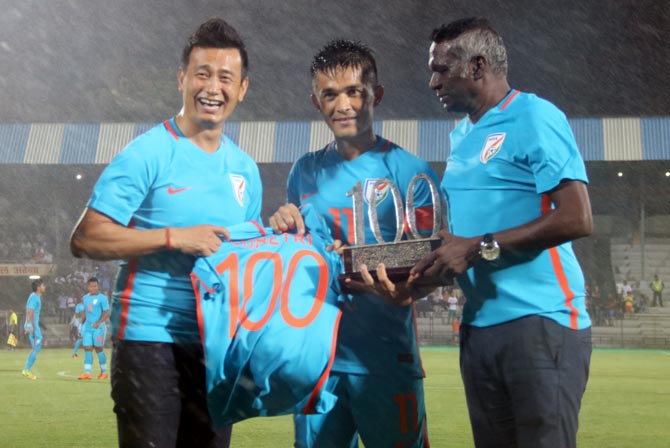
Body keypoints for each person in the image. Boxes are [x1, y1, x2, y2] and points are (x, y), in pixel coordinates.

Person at [69, 17, 259, 448]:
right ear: (182, 78)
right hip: (149, 341)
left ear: (242, 88)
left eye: (226, 77)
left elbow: (241, 258)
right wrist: (173, 237)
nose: (213, 87)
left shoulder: (245, 169)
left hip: (214, 345)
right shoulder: (148, 152)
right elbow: (85, 237)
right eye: (202, 74)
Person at [412, 17, 594, 448]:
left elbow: (577, 218)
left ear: (477, 66)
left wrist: (477, 248)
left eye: (442, 68)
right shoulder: (461, 136)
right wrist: (434, 267)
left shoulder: (534, 115)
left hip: (540, 321)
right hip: (479, 329)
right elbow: (465, 241)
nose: (432, 81)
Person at [269, 39, 436, 448]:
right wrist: (282, 226)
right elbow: (297, 254)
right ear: (316, 102)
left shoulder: (411, 172)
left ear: (375, 95)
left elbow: (432, 260)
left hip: (386, 358)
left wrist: (408, 293)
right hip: (318, 362)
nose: (343, 104)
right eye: (330, 94)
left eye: (354, 91)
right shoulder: (304, 171)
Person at [77, 278, 110, 379]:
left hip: (99, 328)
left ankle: (104, 372)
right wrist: (80, 326)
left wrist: (99, 322)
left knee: (98, 349)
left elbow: (106, 313)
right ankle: (87, 373)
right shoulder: (85, 298)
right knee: (87, 348)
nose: (93, 288)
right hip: (87, 328)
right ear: (88, 287)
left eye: (95, 286)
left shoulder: (102, 298)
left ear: (98, 286)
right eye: (91, 286)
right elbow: (85, 314)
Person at [22, 279, 46, 380]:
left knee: (36, 347)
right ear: (38, 287)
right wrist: (28, 325)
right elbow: (30, 312)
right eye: (43, 285)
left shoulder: (35, 297)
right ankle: (26, 370)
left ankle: (27, 369)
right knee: (36, 347)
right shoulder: (35, 297)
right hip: (32, 327)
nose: (45, 287)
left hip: (33, 326)